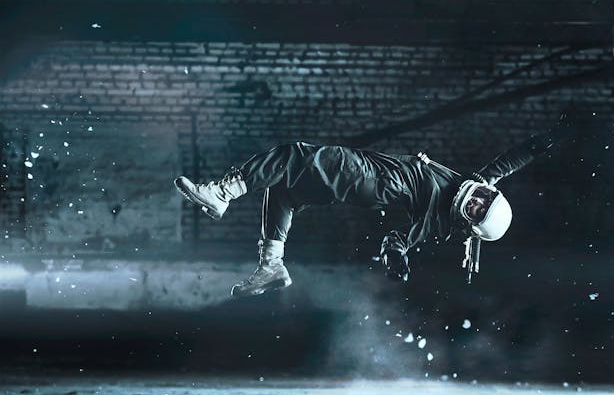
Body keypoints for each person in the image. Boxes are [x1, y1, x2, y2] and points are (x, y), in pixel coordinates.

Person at [174, 113, 578, 297]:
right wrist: (546, 140)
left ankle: (223, 192)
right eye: (482, 198)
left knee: (292, 155)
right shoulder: (477, 184)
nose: (473, 200)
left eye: (475, 211)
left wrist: (395, 257)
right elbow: (509, 161)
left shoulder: (440, 221)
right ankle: (272, 264)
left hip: (369, 178)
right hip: (363, 182)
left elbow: (400, 239)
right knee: (285, 191)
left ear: (468, 226)